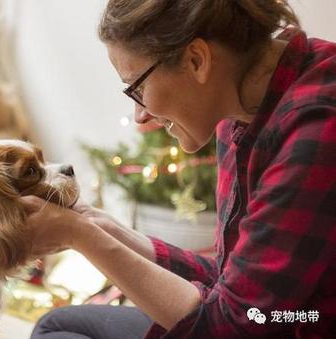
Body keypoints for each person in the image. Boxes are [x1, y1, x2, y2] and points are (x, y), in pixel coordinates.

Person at [21, 0, 336, 338]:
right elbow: (232, 281)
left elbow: (236, 324)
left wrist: (79, 235)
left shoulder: (317, 126)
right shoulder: (242, 107)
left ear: (197, 60)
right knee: (58, 325)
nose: (140, 115)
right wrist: (102, 227)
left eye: (138, 88)